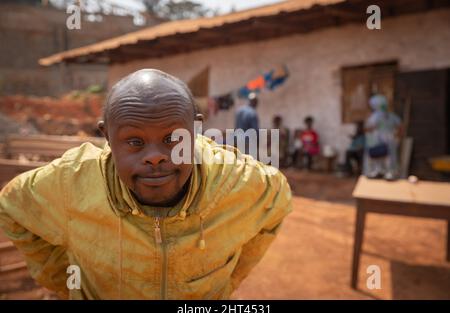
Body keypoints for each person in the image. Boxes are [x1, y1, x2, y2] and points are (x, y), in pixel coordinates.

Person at [0, 69, 292, 300]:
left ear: (196, 130)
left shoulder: (235, 180)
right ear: (107, 137)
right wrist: (70, 283)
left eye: (173, 139)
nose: (154, 158)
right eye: (135, 142)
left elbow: (278, 198)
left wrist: (227, 282)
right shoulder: (72, 181)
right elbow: (11, 208)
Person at [363, 94, 402, 180]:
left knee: (378, 154)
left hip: (378, 137)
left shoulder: (375, 116)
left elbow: (369, 128)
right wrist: (397, 136)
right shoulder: (391, 115)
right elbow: (399, 126)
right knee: (390, 155)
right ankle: (390, 172)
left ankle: (379, 171)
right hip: (390, 137)